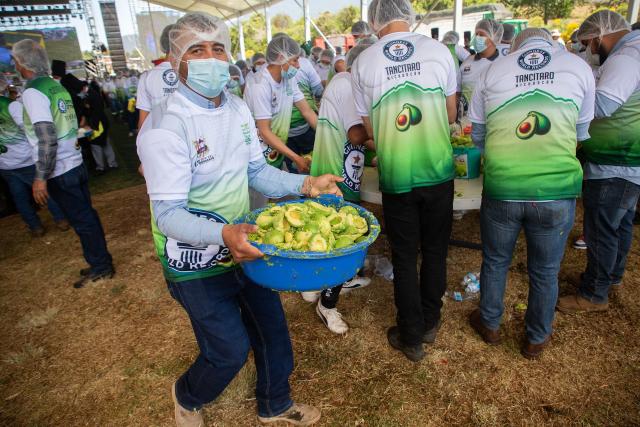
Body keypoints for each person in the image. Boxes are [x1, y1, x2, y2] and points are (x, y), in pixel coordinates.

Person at [136, 12, 342, 426]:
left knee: (272, 332)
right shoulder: (165, 125)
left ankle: (275, 404)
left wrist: (306, 185)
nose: (211, 57)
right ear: (176, 60)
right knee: (228, 349)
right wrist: (222, 234)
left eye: (218, 48)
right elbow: (168, 215)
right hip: (193, 258)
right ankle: (188, 394)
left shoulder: (234, 107)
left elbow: (257, 172)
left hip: (246, 241)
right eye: (197, 49)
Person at [468, 28, 596, 359]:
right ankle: (536, 338)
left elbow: (478, 136)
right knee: (546, 270)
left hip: (503, 187)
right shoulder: (578, 66)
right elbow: (581, 133)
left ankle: (490, 323)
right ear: (550, 42)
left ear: (517, 45)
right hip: (556, 190)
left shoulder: (495, 69)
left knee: (496, 260)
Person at [351, 0, 458, 362]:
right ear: (407, 15)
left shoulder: (363, 61)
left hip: (397, 174)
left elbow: (370, 129)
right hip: (439, 170)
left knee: (403, 253)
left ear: (373, 20)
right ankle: (430, 321)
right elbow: (451, 112)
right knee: (435, 250)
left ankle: (410, 335)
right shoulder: (440, 51)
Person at [12, 39, 114, 288]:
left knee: (83, 220)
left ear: (22, 62)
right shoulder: (53, 85)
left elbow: (46, 137)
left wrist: (40, 177)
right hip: (74, 162)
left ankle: (101, 266)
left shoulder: (34, 91)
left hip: (60, 170)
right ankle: (99, 261)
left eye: (15, 60)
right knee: (85, 217)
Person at [557, 11, 640, 313]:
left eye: (590, 44)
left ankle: (593, 294)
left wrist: (569, 101)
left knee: (601, 228)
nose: (590, 50)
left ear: (601, 36)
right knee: (620, 224)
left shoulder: (625, 59)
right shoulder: (633, 53)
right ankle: (612, 275)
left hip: (614, 163)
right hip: (627, 163)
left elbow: (603, 104)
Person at [303, 42, 375, 334]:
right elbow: (356, 134)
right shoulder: (347, 84)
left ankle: (311, 285)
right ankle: (327, 305)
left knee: (326, 230)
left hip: (340, 167)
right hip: (336, 172)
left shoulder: (345, 82)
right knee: (343, 237)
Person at [0, 76, 69, 237]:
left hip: (5, 163)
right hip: (25, 159)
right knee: (45, 190)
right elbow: (29, 129)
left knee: (19, 197)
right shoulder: (11, 106)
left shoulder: (12, 105)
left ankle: (35, 226)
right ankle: (61, 219)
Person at [244, 36, 318, 175]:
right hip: (258, 154)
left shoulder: (288, 79)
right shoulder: (259, 85)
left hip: (276, 149)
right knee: (263, 194)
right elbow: (265, 131)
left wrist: (325, 135)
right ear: (280, 57)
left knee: (275, 193)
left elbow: (307, 111)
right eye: (295, 60)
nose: (298, 65)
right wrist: (296, 158)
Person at [136, 24, 179, 130]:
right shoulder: (194, 73)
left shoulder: (147, 77)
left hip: (160, 137)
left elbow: (143, 122)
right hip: (193, 140)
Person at [460, 19, 504, 117]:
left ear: (494, 37)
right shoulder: (467, 62)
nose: (477, 38)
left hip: (492, 119)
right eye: (476, 34)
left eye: (482, 35)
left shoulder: (502, 63)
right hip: (466, 122)